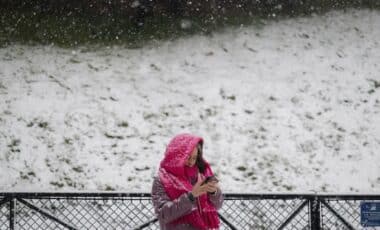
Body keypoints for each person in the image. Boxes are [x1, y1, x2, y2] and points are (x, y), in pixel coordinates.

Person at [151, 133, 224, 230]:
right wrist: (191, 196)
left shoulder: (201, 174)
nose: (191, 162)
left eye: (194, 158)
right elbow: (163, 214)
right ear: (176, 156)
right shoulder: (161, 180)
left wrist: (214, 192)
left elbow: (217, 205)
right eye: (187, 157)